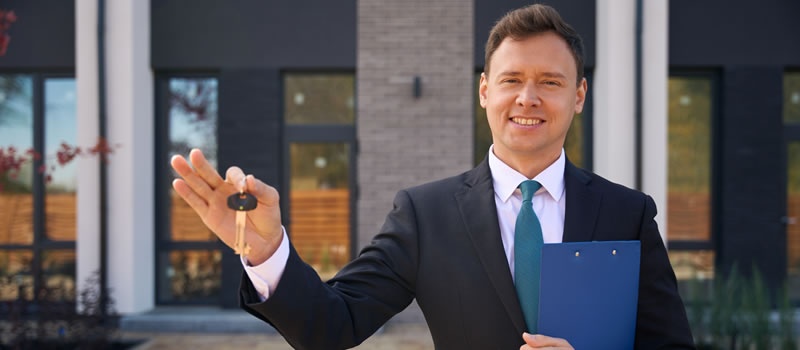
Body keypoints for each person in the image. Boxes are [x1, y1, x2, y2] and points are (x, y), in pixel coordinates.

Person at [170, 4, 695, 349]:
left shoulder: (628, 213)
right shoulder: (426, 215)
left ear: (578, 96)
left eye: (550, 82)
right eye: (511, 79)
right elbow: (330, 324)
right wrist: (266, 251)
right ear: (484, 91)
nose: (527, 98)